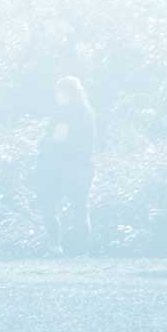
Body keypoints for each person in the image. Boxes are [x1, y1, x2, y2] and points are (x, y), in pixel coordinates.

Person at [37, 75, 97, 254]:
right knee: (80, 209)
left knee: (48, 204)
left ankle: (55, 247)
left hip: (61, 167)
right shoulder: (87, 112)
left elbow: (59, 137)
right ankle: (82, 250)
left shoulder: (64, 112)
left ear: (64, 92)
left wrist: (43, 143)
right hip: (84, 167)